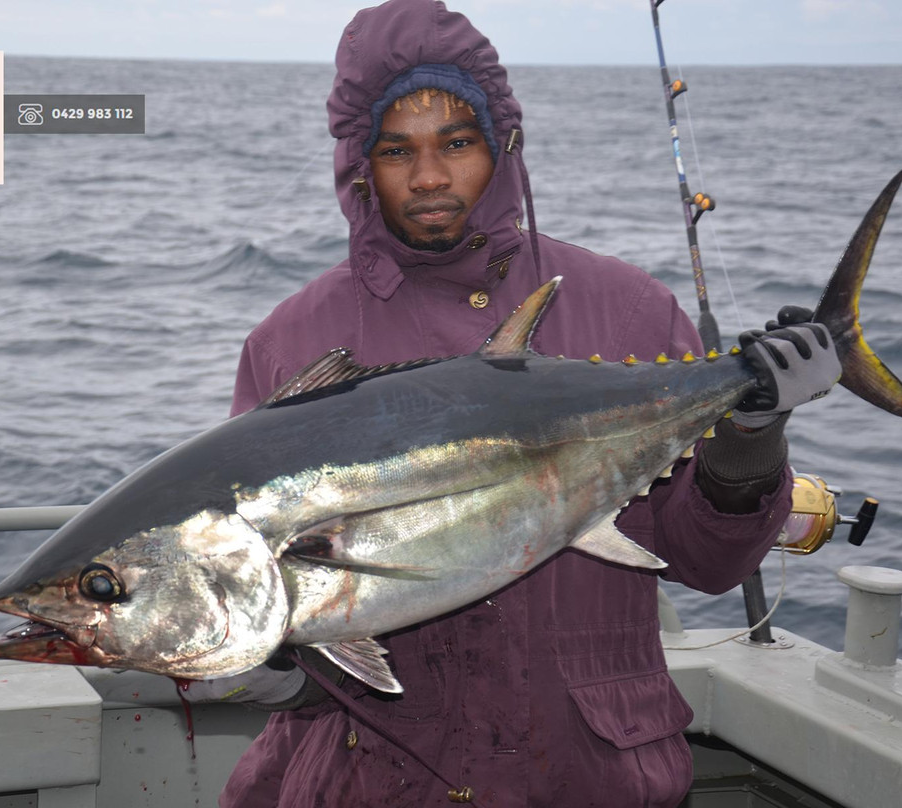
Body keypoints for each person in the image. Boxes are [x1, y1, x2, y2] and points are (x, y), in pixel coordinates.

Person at [206, 1, 840, 805]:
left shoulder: (628, 312)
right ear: (358, 164)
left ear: (504, 144)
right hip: (369, 783)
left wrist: (752, 433)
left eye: (458, 144)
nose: (429, 177)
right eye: (396, 150)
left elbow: (707, 562)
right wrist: (269, 667)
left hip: (588, 778)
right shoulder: (292, 343)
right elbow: (277, 597)